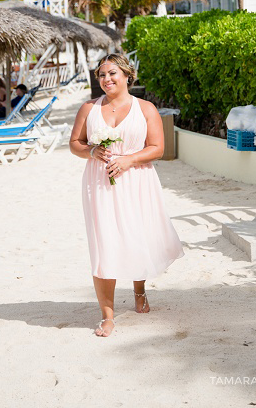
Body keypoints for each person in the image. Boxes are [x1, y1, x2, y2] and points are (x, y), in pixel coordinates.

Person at [69, 53, 184, 337]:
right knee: (103, 243)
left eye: (112, 74)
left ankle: (140, 292)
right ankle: (107, 316)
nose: (106, 79)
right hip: (99, 183)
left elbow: (157, 147)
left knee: (137, 236)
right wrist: (92, 151)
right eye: (101, 75)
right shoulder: (88, 108)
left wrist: (128, 160)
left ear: (127, 76)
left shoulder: (145, 109)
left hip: (137, 180)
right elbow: (75, 143)